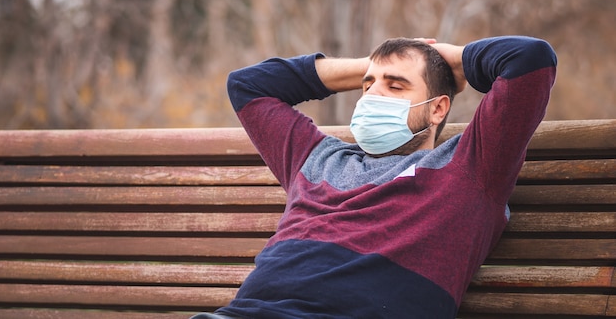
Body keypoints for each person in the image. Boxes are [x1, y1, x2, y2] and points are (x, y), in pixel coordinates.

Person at [191, 35, 557, 318]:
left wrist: (443, 58)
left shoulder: (470, 167)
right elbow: (248, 85)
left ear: (437, 108)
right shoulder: (317, 157)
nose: (372, 96)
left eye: (395, 86)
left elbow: (529, 59)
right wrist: (378, 61)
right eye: (367, 86)